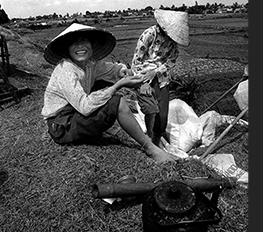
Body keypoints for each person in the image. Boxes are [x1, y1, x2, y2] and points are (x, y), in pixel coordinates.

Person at [41, 23, 176, 163]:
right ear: (67, 48)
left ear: (92, 45)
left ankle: (111, 129)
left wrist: (124, 72)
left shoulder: (89, 64)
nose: (80, 47)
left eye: (85, 41)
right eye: (74, 43)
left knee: (103, 82)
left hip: (73, 115)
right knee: (117, 102)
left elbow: (111, 69)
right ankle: (150, 147)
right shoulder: (66, 70)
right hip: (62, 126)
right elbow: (84, 106)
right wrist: (119, 85)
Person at [131, 9, 189, 147]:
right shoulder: (149, 34)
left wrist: (156, 72)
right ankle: (148, 142)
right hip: (145, 77)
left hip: (162, 78)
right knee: (151, 110)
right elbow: (136, 61)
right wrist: (142, 82)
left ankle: (156, 143)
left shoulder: (173, 41)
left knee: (162, 115)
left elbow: (171, 60)